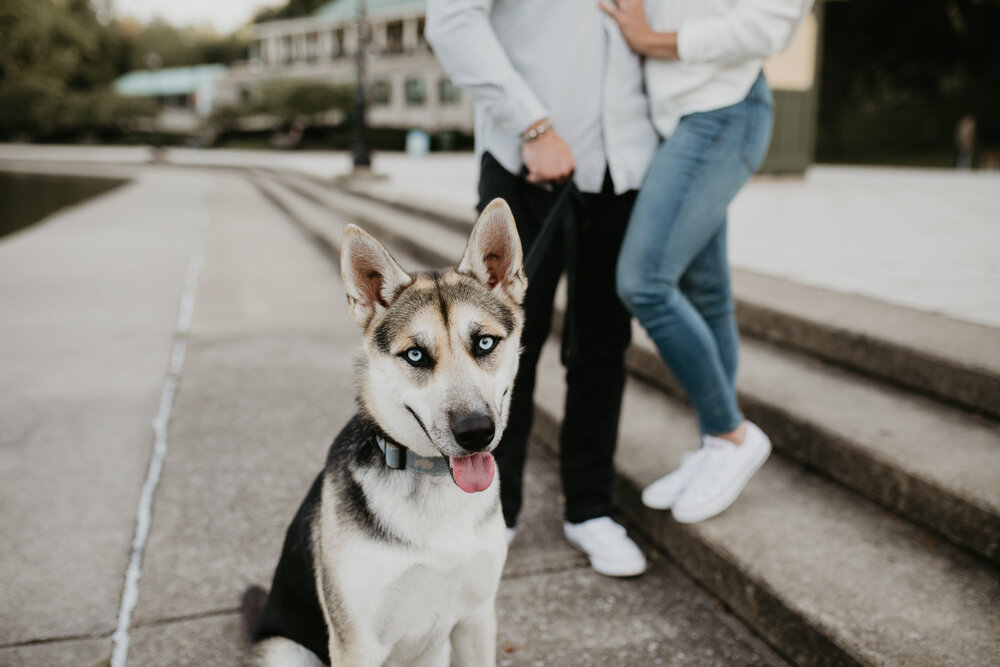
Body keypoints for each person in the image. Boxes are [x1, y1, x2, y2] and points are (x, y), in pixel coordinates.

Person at [426, 0, 659, 577]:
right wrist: (533, 123)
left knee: (603, 344)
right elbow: (452, 21)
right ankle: (491, 516)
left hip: (626, 165)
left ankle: (589, 508)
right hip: (527, 159)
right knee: (498, 348)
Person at [601, 0, 813, 523]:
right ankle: (716, 446)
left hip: (722, 110)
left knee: (644, 282)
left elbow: (768, 26)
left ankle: (730, 434)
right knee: (708, 293)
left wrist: (653, 41)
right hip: (683, 117)